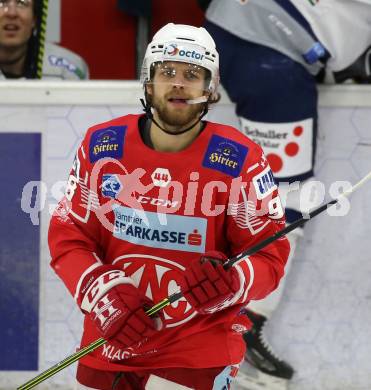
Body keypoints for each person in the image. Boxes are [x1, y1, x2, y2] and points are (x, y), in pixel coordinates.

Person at [48, 22, 290, 389]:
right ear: (148, 82)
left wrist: (234, 281)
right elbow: (69, 236)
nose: (178, 83)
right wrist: (102, 294)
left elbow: (270, 258)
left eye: (193, 74)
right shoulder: (103, 146)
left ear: (210, 89)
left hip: (197, 354)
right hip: (114, 339)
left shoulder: (241, 160)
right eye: (167, 72)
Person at [198, 0, 371, 388]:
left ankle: (228, 325)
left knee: (274, 192)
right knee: (286, 197)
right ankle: (237, 329)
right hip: (269, 47)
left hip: (255, 35)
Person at [0, 0, 89, 79]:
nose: (12, 13)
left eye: (22, 3)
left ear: (34, 19)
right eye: (1, 2)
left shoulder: (67, 70)